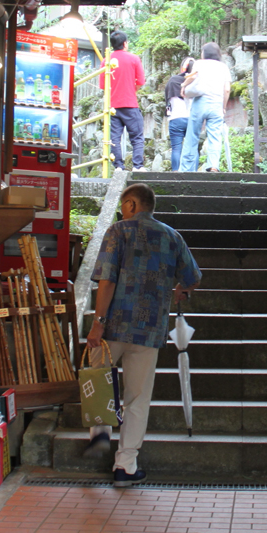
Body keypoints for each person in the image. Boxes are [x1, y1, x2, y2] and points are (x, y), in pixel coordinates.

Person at [84, 182, 201, 487]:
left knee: (99, 382)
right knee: (138, 398)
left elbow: (107, 281)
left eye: (124, 205)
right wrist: (180, 289)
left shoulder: (118, 231)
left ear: (133, 205)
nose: (123, 210)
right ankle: (125, 465)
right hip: (149, 330)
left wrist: (97, 322)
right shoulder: (171, 236)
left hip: (113, 325)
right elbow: (193, 277)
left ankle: (99, 436)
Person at [180, 42, 231, 173]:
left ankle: (186, 169)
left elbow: (193, 77)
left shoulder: (199, 63)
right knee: (215, 136)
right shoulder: (223, 67)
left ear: (204, 53)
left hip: (200, 103)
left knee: (192, 136)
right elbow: (227, 89)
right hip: (216, 104)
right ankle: (213, 165)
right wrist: (223, 107)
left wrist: (183, 85)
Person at [101, 30, 146, 171]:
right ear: (125, 43)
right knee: (137, 136)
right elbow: (140, 81)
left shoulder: (106, 61)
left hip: (113, 106)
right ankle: (137, 166)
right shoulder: (134, 59)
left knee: (114, 138)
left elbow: (103, 86)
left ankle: (118, 166)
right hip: (130, 104)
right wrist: (132, 91)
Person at [164, 58, 194, 172]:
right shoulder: (194, 81)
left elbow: (167, 101)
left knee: (176, 148)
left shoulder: (172, 81)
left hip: (175, 119)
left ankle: (175, 172)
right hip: (191, 119)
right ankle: (192, 172)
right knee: (192, 147)